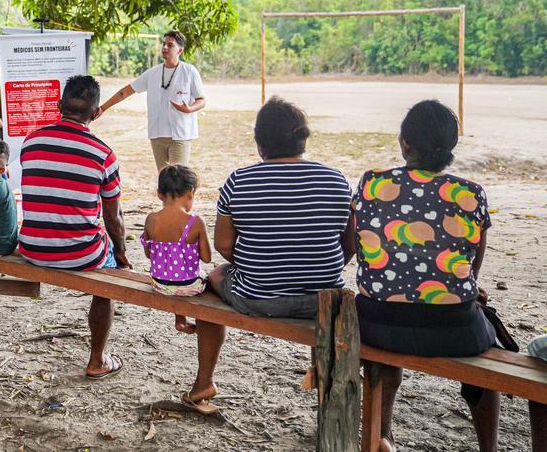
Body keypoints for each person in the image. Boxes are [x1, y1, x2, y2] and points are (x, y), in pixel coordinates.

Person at [350, 100, 499, 452]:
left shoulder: (371, 183)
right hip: (454, 328)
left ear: (405, 145)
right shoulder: (471, 193)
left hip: (378, 321)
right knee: (489, 352)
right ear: (451, 148)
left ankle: (382, 435)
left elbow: (356, 243)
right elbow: (472, 265)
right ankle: (488, 449)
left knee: (388, 342)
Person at [17, 75, 130, 380]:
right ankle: (97, 360)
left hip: (32, 247)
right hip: (80, 254)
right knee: (109, 277)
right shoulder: (103, 154)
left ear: (58, 105)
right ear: (95, 114)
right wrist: (120, 252)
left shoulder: (31, 142)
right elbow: (113, 218)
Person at [208, 97, 354, 319]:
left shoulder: (239, 180)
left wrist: (261, 266)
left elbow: (223, 245)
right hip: (324, 297)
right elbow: (351, 244)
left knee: (216, 275)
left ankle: (209, 356)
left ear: (260, 145)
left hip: (259, 299)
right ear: (302, 141)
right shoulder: (336, 179)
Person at [98, 30, 205, 170]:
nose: (165, 48)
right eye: (164, 44)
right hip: (157, 135)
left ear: (180, 50)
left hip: (180, 136)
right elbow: (124, 93)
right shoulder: (152, 73)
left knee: (179, 179)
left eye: (170, 45)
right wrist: (102, 108)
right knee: (163, 178)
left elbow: (201, 100)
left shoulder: (189, 71)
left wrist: (189, 109)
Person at [140, 165, 211, 335]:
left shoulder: (151, 219)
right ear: (190, 193)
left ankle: (180, 320)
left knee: (175, 273)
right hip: (189, 286)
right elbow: (207, 258)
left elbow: (149, 254)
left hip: (160, 284)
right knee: (203, 276)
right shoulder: (196, 221)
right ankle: (197, 323)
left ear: (159, 194)